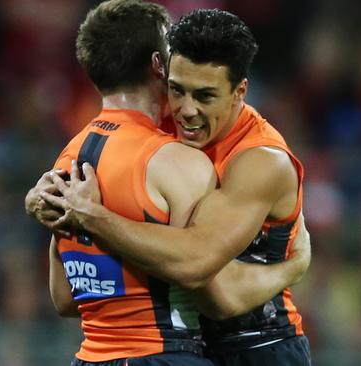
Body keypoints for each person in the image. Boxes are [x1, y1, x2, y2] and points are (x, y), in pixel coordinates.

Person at [27, 2, 310, 365]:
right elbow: (71, 296)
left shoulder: (259, 160)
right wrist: (44, 202)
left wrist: (293, 267)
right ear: (163, 73)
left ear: (239, 92)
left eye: (205, 96)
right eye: (178, 90)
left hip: (257, 348)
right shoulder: (161, 135)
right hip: (181, 346)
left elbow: (212, 288)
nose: (186, 110)